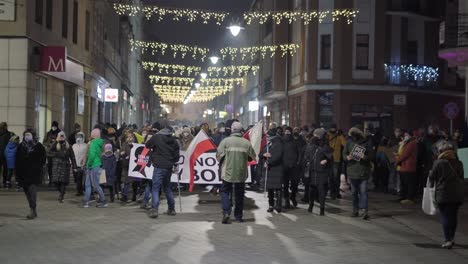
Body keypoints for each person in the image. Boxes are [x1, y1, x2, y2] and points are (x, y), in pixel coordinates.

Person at [217, 121, 256, 223]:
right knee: (239, 194)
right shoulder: (246, 142)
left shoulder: (225, 141)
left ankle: (226, 213)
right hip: (241, 173)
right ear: (241, 130)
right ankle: (238, 217)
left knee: (225, 191)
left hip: (227, 172)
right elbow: (252, 157)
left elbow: (218, 156)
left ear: (232, 129)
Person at [429, 141, 464, 249]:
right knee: (453, 216)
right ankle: (452, 237)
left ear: (441, 151)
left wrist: (431, 174)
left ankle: (447, 240)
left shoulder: (438, 163)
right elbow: (462, 177)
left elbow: (432, 178)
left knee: (445, 216)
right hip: (457, 194)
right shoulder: (459, 163)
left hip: (443, 193)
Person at [145, 127, 180, 219]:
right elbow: (177, 156)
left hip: (158, 165)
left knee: (155, 188)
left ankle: (154, 210)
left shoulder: (157, 137)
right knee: (167, 188)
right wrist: (173, 163)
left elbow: (147, 146)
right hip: (168, 166)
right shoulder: (174, 141)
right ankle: (171, 209)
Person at [343, 125, 374, 220]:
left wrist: (365, 157)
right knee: (354, 192)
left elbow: (372, 156)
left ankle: (364, 211)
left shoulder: (367, 142)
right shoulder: (349, 142)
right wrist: (347, 157)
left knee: (363, 192)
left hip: (363, 171)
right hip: (352, 171)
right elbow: (344, 154)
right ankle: (355, 210)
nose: (353, 137)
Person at [16, 129, 46, 219]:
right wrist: (17, 174)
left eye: (29, 135)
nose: (27, 137)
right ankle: (33, 209)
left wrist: (38, 167)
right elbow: (17, 160)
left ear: (33, 136)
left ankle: (32, 210)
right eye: (25, 135)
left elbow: (43, 159)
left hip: (34, 173)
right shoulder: (21, 146)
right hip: (23, 174)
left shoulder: (38, 146)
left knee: (32, 191)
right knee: (27, 193)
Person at [303, 128, 332, 215]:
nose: (315, 136)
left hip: (322, 172)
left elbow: (330, 157)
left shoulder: (325, 145)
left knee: (321, 190)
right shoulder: (311, 144)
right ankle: (310, 206)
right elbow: (306, 156)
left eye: (317, 135)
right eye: (314, 135)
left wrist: (326, 160)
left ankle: (322, 209)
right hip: (312, 171)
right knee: (311, 190)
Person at [260, 127, 285, 213]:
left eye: (268, 135)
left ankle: (278, 205)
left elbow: (278, 156)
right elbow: (261, 154)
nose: (267, 136)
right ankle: (271, 205)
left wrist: (269, 162)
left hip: (276, 169)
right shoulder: (268, 143)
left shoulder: (278, 143)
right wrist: (264, 154)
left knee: (278, 188)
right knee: (270, 188)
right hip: (269, 170)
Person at [82, 128, 108, 208]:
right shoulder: (99, 143)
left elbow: (92, 155)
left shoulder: (93, 143)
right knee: (89, 184)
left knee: (94, 185)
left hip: (92, 165)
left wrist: (88, 165)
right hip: (96, 165)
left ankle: (103, 201)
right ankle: (86, 201)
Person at [49, 132, 77, 203]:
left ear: (64, 137)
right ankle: (62, 192)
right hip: (56, 165)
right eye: (60, 136)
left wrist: (74, 166)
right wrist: (57, 153)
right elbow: (49, 153)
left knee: (63, 182)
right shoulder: (55, 144)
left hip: (65, 165)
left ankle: (61, 196)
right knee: (55, 182)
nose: (61, 138)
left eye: (62, 136)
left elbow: (72, 157)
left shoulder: (68, 146)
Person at [396, 131, 418, 205]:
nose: (405, 136)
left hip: (408, 166)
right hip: (404, 166)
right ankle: (405, 197)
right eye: (404, 135)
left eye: (406, 135)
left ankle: (410, 198)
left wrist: (397, 160)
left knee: (409, 183)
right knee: (405, 183)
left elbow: (405, 154)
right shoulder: (407, 143)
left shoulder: (411, 143)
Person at [282, 126, 300, 208]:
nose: (287, 133)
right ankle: (286, 199)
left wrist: (297, 162)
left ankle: (292, 197)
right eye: (286, 132)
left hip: (294, 166)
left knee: (295, 183)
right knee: (285, 184)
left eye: (288, 132)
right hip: (285, 166)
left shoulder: (295, 142)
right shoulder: (282, 142)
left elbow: (299, 153)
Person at [327, 124, 347, 199]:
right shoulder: (327, 136)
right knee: (331, 177)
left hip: (336, 159)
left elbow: (345, 144)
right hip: (329, 159)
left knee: (335, 177)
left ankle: (336, 192)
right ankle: (333, 192)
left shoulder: (339, 136)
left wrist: (341, 135)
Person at [44, 121, 61, 186]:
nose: (54, 127)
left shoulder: (60, 133)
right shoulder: (48, 133)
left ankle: (56, 180)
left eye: (55, 126)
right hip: (50, 153)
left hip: (57, 153)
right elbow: (44, 141)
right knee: (50, 167)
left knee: (56, 167)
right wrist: (49, 144)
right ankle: (51, 180)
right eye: (53, 126)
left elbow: (63, 141)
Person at [72, 132, 87, 196]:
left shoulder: (85, 145)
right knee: (77, 178)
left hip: (82, 165)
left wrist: (84, 161)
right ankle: (79, 189)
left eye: (80, 137)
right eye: (77, 136)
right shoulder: (74, 146)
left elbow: (86, 155)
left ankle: (80, 190)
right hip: (75, 165)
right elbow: (72, 155)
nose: (79, 138)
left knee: (81, 178)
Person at [0, 122, 12, 189]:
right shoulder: (9, 134)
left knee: (5, 169)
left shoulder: (9, 134)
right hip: (6, 154)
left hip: (5, 154)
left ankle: (5, 182)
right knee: (5, 169)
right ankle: (5, 182)